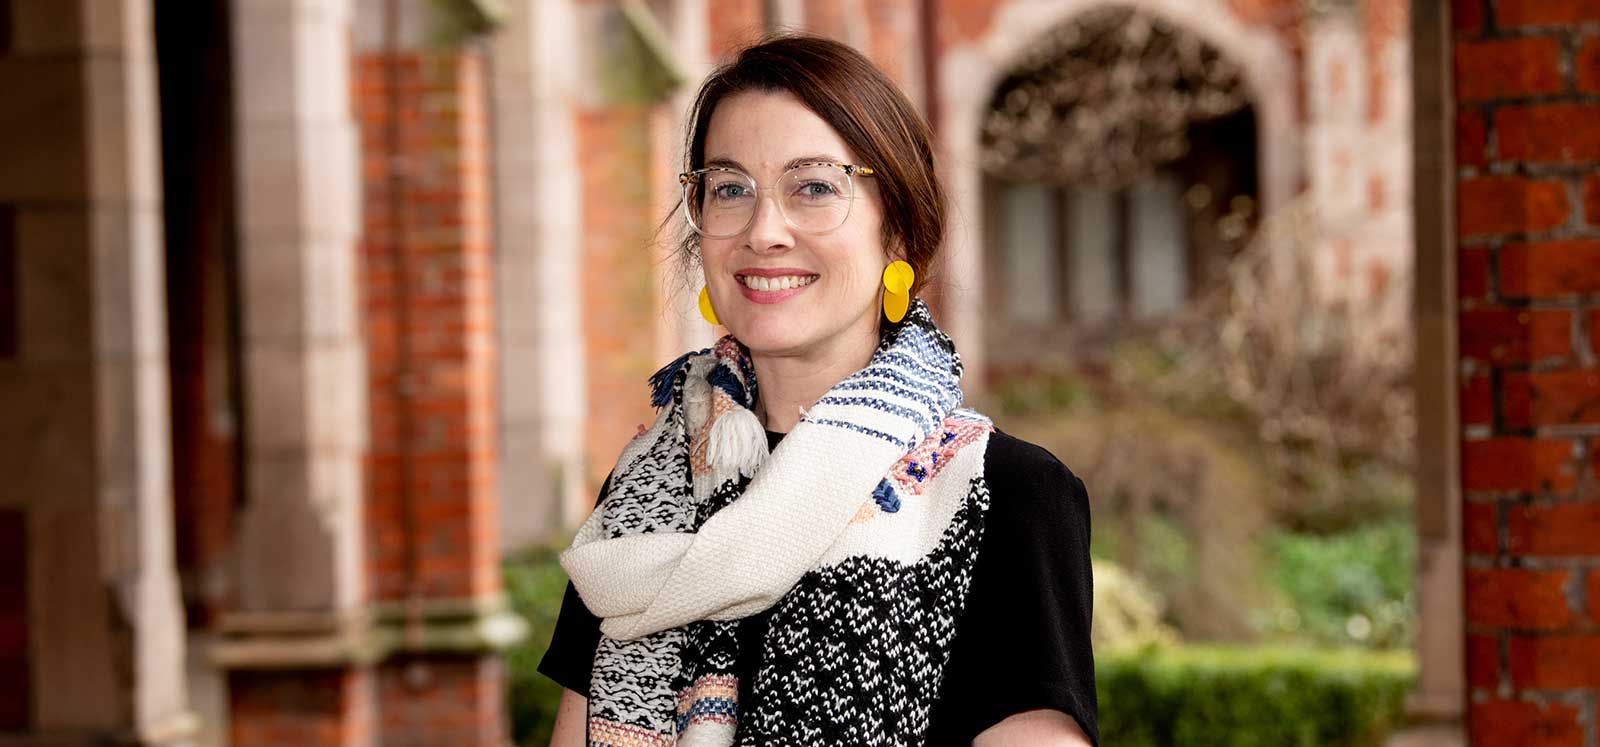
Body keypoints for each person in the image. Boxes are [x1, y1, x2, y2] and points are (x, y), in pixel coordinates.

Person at [539, 34, 1097, 747]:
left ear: (896, 230)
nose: (765, 231)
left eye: (813, 187)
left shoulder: (1005, 495)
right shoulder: (644, 490)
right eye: (731, 188)